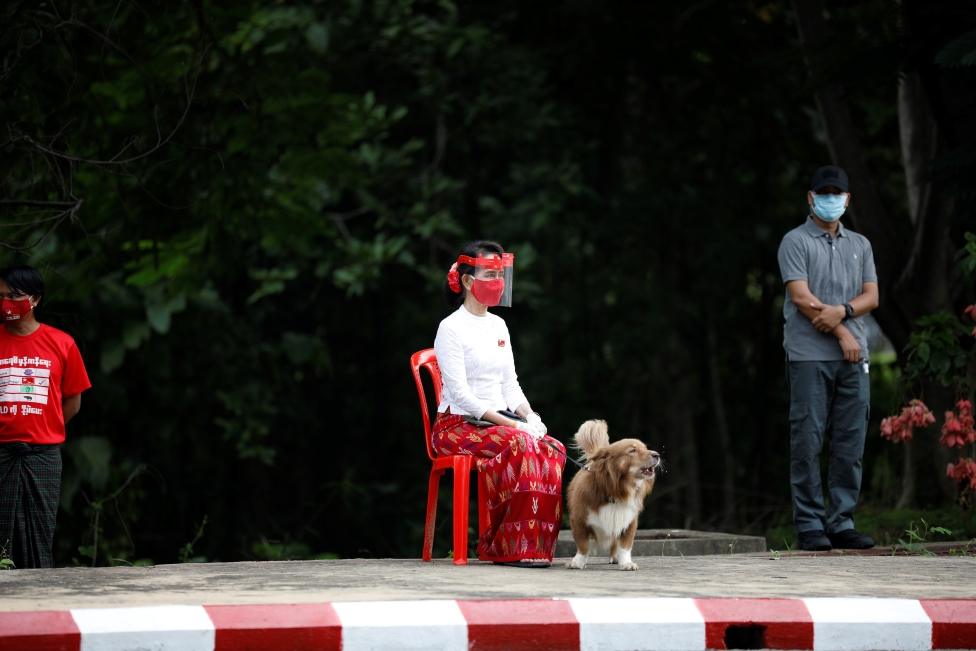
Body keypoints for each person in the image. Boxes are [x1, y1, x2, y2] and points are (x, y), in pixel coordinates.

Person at [432, 240, 565, 567]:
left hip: (497, 423)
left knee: (552, 447)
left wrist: (531, 416)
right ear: (466, 281)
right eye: (489, 273)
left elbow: (510, 385)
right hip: (457, 426)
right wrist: (515, 426)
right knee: (521, 443)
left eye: (499, 273)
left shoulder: (499, 326)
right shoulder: (450, 329)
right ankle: (503, 546)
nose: (497, 281)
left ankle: (533, 546)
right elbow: (461, 394)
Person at [777, 165, 879, 551]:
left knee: (850, 441)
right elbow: (802, 298)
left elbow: (872, 296)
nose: (831, 199)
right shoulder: (795, 241)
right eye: (825, 193)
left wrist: (844, 313)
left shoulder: (861, 245)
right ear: (811, 197)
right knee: (808, 438)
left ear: (848, 199)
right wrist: (840, 328)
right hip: (808, 356)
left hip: (855, 357)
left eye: (838, 193)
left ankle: (841, 521)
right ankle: (809, 524)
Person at [0, 265, 91, 568]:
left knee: (39, 534)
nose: (6, 303)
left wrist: (43, 429)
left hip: (42, 457)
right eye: (0, 296)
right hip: (1, 454)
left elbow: (73, 402)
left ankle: (37, 599)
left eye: (14, 296)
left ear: (35, 299)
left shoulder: (61, 343)